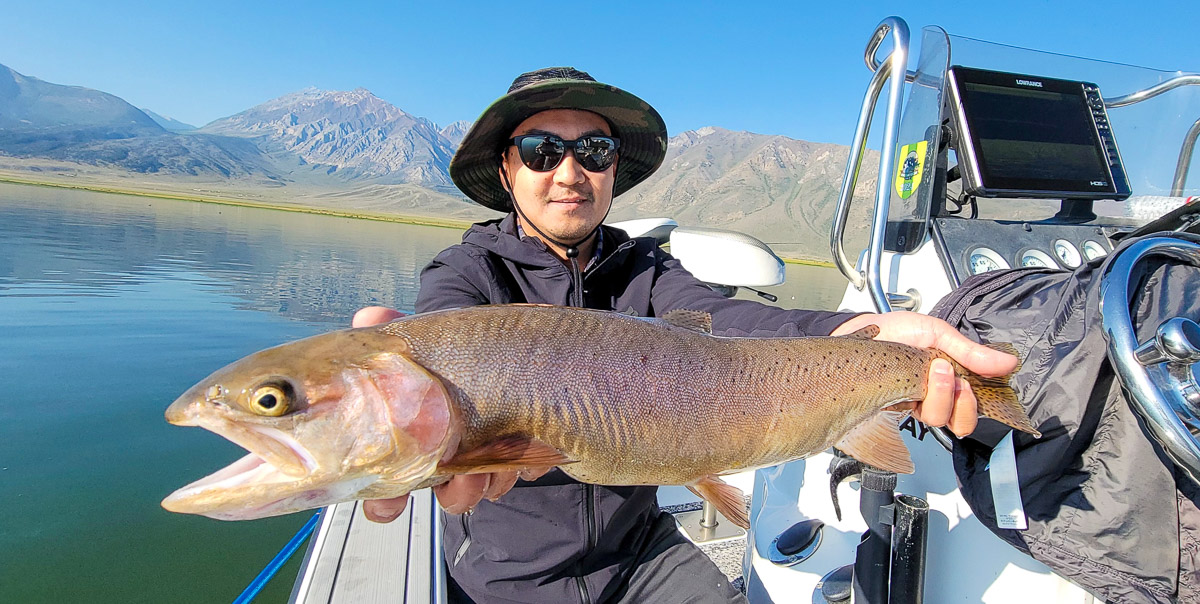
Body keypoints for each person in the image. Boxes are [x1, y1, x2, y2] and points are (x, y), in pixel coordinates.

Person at [353, 67, 1017, 603]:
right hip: (509, 577)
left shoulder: (645, 265)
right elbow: (425, 355)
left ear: (613, 169)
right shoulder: (466, 276)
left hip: (643, 556)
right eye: (541, 150)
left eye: (594, 150)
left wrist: (861, 329)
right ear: (507, 171)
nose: (568, 171)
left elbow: (733, 323)